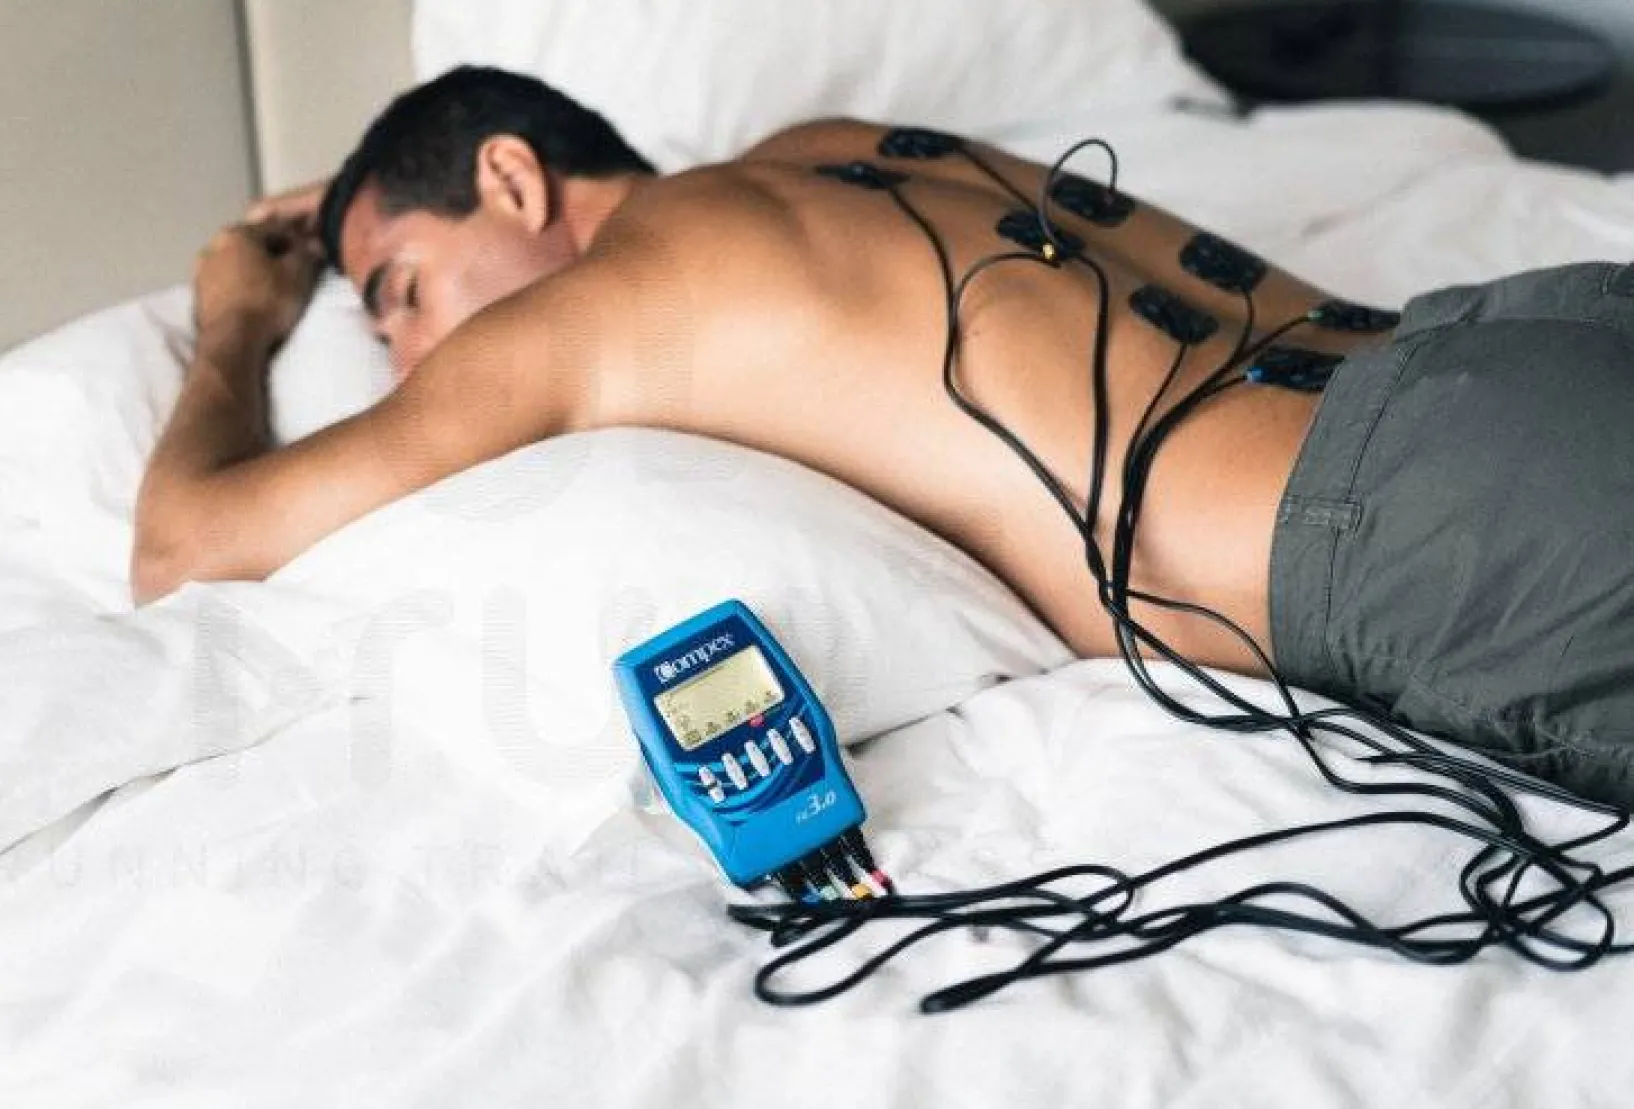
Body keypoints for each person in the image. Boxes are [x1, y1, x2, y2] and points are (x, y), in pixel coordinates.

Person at [135, 66, 1634, 806]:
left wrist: (238, 323)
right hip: (1512, 343)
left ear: (515, 180)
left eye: (398, 292)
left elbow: (181, 548)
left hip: (1431, 515)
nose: (408, 354)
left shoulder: (588, 314)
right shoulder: (843, 149)